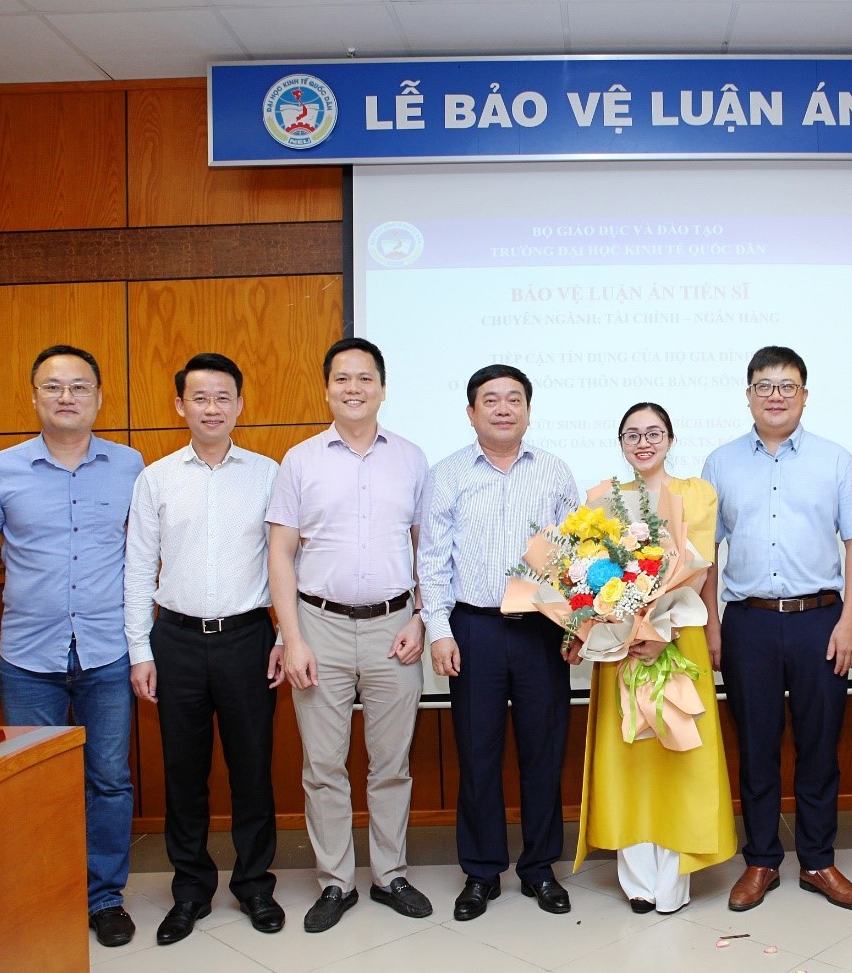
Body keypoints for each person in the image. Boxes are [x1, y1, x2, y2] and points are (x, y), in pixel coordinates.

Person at [0, 344, 146, 948]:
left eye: (79, 386)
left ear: (99, 397)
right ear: (34, 395)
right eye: (53, 386)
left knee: (109, 780)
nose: (67, 397)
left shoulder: (130, 465)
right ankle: (43, 893)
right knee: (35, 781)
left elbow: (144, 556)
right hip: (25, 658)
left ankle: (103, 898)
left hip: (106, 651)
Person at [701, 346, 852, 913]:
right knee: (755, 748)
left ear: (804, 395)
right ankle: (760, 861)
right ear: (748, 394)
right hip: (748, 621)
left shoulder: (834, 459)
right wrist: (711, 624)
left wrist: (851, 622)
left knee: (819, 746)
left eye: (787, 386)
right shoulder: (721, 463)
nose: (775, 395)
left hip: (821, 620)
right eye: (764, 385)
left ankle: (819, 861)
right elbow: (705, 551)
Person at [266, 337, 433, 932]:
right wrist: (291, 638)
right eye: (343, 378)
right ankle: (336, 882)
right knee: (322, 766)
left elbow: (428, 549)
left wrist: (421, 616)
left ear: (382, 388)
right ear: (327, 388)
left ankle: (390, 875)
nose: (354, 388)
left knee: (392, 764)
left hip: (395, 628)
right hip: (319, 628)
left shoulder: (412, 459)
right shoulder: (299, 460)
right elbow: (280, 553)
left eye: (365, 378)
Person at [124, 353, 286, 944]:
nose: (212, 408)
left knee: (253, 771)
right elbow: (138, 568)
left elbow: (289, 561)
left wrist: (284, 636)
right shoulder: (156, 478)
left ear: (240, 404)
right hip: (176, 641)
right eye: (200, 398)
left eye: (223, 397)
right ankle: (190, 891)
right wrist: (140, 650)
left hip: (248, 638)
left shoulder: (269, 474)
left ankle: (255, 885)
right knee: (183, 774)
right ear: (180, 406)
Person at [419, 364, 578, 921]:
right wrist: (440, 631)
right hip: (474, 628)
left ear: (528, 411)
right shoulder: (447, 475)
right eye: (491, 400)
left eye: (514, 399)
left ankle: (539, 868)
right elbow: (432, 560)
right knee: (478, 754)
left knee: (544, 754)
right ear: (471, 412)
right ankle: (481, 872)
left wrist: (576, 627)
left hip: (540, 629)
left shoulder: (555, 471)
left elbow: (575, 561)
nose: (503, 408)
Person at [573, 402, 737, 914]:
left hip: (679, 637)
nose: (643, 442)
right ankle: (639, 882)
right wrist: (616, 623)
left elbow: (698, 568)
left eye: (653, 433)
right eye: (632, 434)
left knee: (677, 753)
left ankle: (673, 881)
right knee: (630, 756)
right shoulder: (603, 501)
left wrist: (662, 629)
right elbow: (589, 576)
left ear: (670, 438)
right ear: (621, 443)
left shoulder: (696, 493)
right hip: (619, 644)